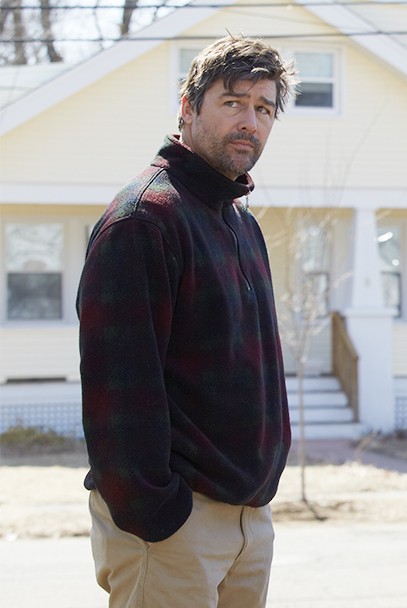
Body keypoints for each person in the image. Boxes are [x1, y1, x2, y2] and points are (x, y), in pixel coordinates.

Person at [77, 35, 297, 607]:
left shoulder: (240, 222)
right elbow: (117, 388)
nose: (250, 121)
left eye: (264, 108)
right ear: (188, 107)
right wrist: (155, 511)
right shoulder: (144, 221)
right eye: (233, 102)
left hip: (249, 520)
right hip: (173, 527)